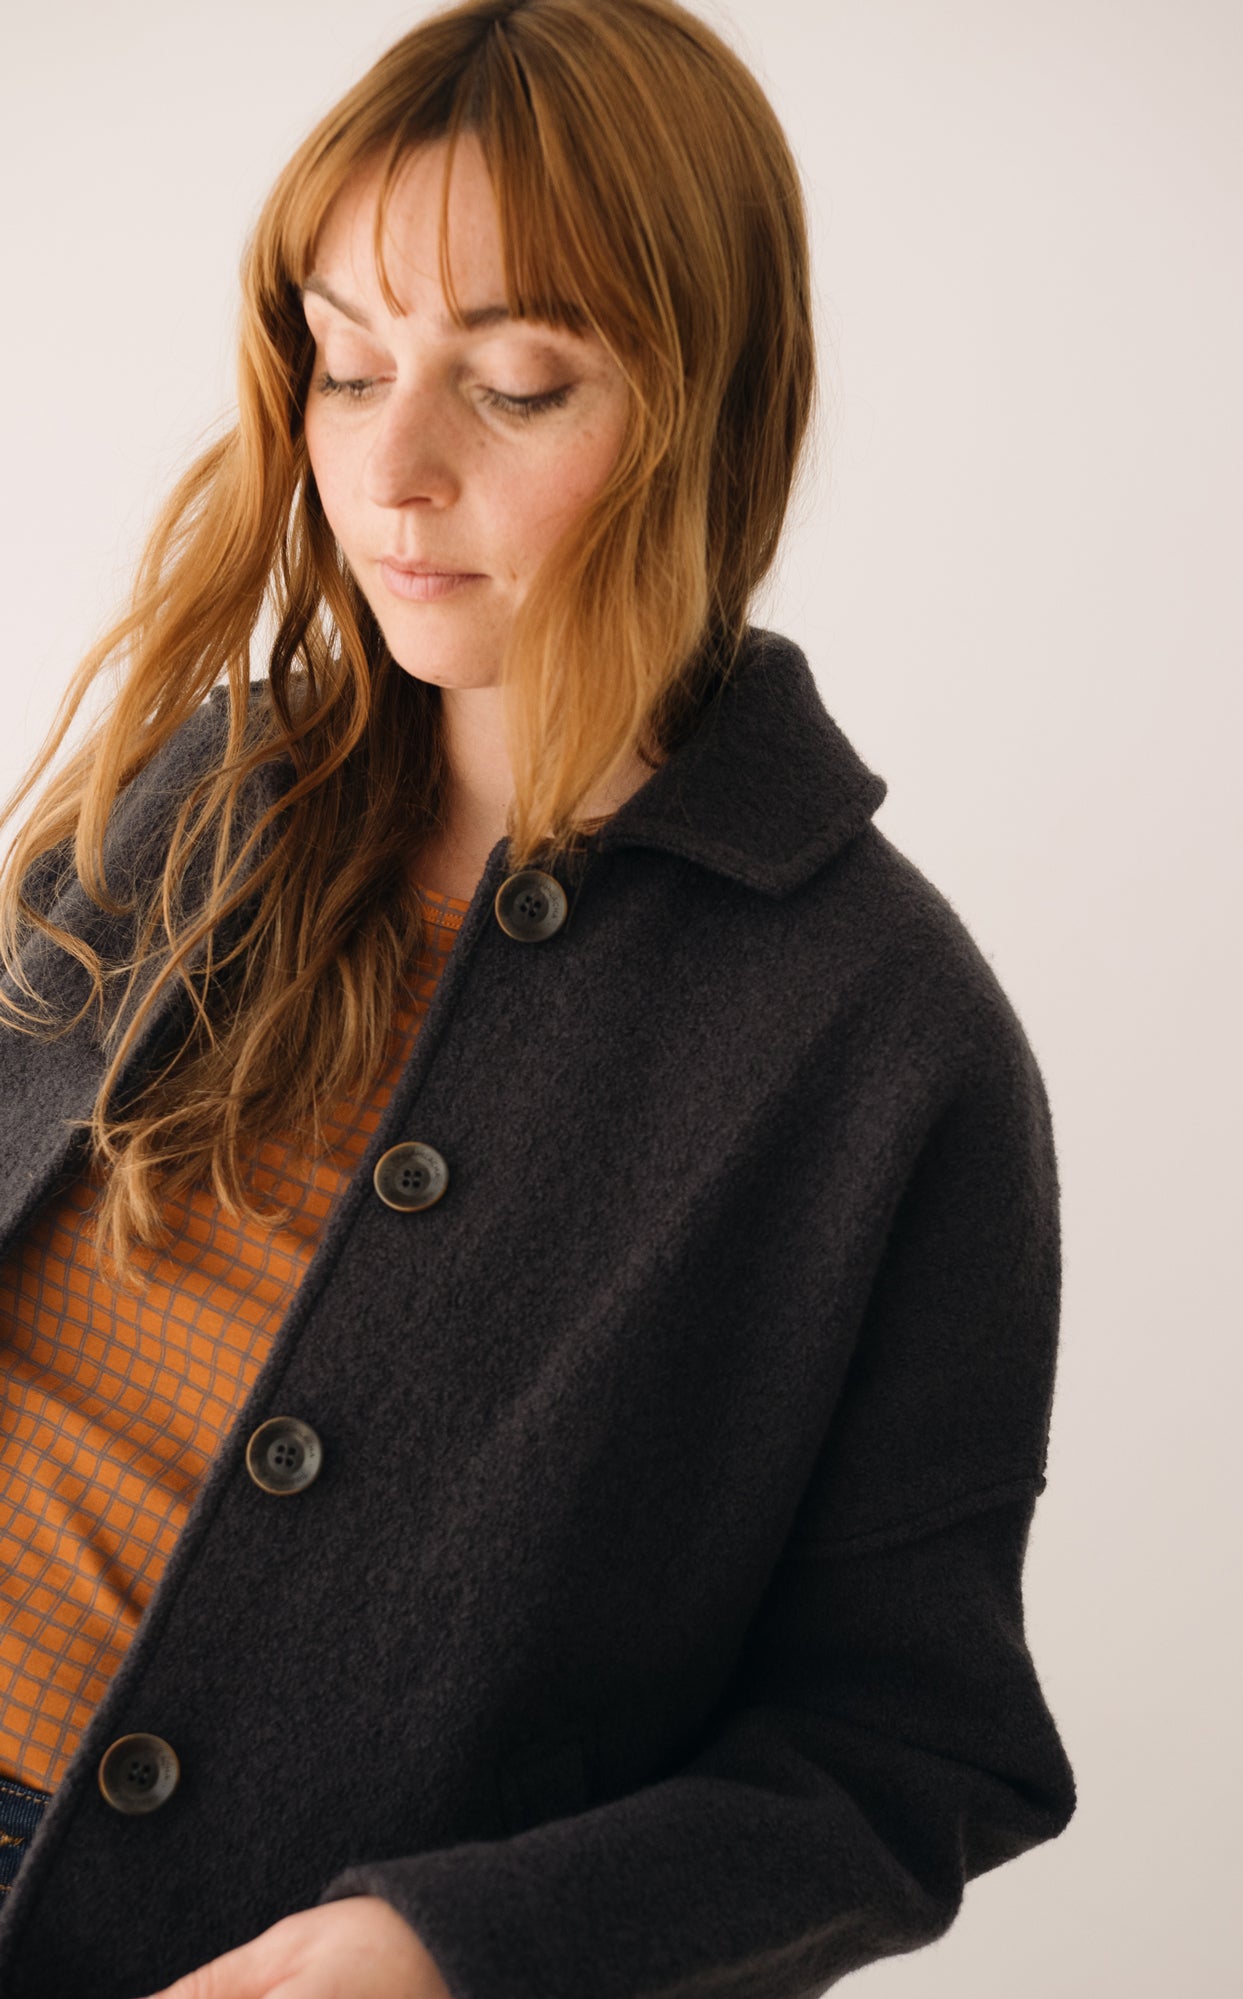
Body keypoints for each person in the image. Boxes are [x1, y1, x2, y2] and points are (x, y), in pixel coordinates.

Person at [0, 1, 1076, 1994]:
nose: (389, 468)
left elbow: (912, 1758)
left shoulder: (883, 1039)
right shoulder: (200, 793)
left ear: (711, 407)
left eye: (513, 385)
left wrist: (448, 1949)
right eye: (344, 365)